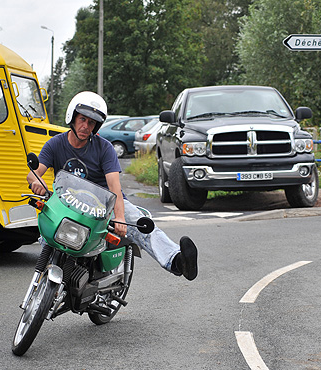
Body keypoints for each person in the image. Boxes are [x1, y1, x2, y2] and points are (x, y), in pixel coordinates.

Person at [27, 91, 198, 280]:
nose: (85, 126)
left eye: (91, 123)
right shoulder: (55, 144)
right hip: (68, 205)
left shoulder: (104, 147)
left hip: (104, 206)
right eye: (82, 119)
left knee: (141, 225)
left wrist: (120, 217)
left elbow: (114, 185)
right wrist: (37, 182)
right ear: (72, 117)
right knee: (48, 236)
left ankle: (176, 259)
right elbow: (34, 174)